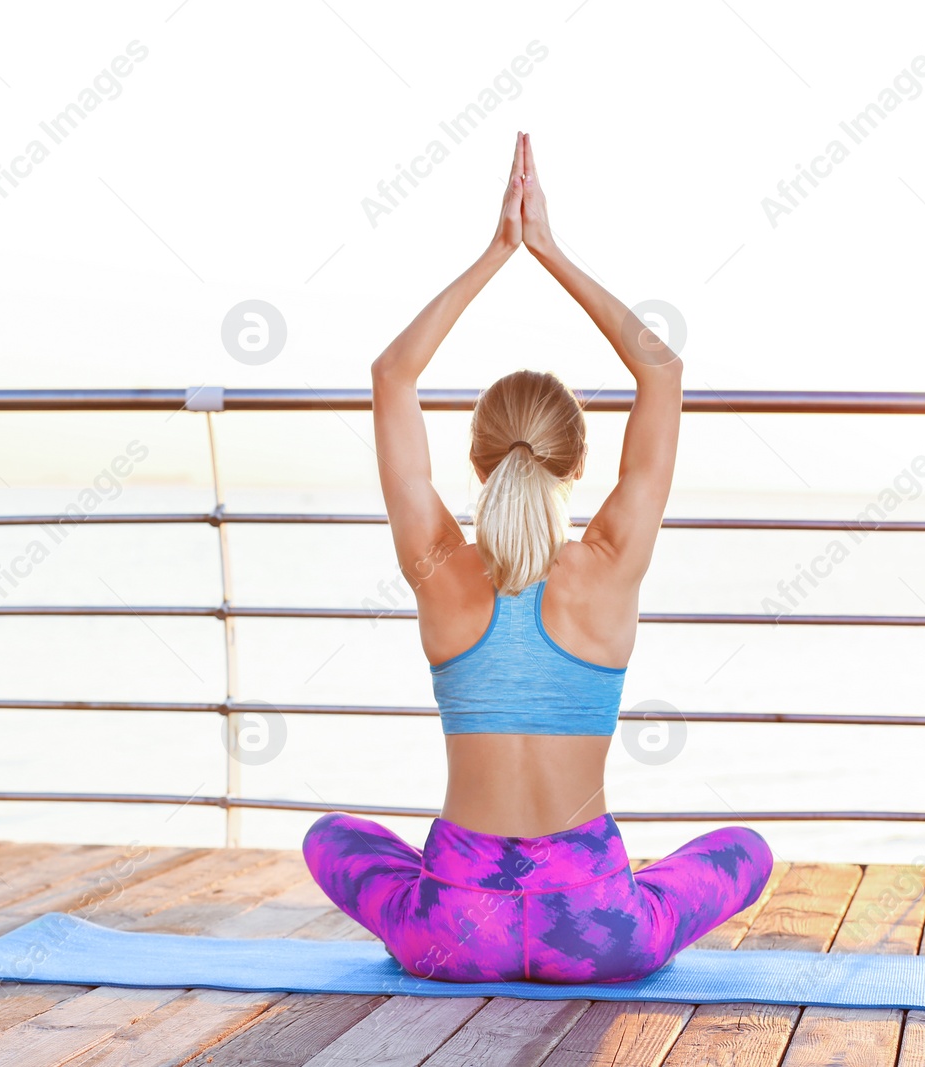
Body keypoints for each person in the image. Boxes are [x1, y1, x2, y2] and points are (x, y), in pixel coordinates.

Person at [303, 132, 772, 983]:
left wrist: (496, 253)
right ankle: (623, 890)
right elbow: (660, 371)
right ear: (578, 463)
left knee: (329, 838)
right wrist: (549, 247)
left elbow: (390, 375)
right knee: (744, 849)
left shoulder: (438, 566)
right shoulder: (610, 563)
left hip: (453, 928)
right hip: (594, 925)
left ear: (479, 462)